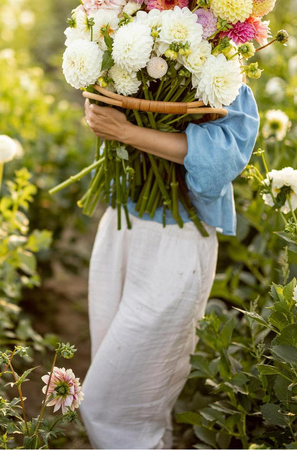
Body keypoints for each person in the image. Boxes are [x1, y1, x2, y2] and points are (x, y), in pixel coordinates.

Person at [79, 82, 259, 449]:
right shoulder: (131, 38)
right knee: (135, 402)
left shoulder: (223, 68)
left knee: (108, 404)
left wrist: (127, 132)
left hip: (178, 239)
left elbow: (221, 160)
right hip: (119, 225)